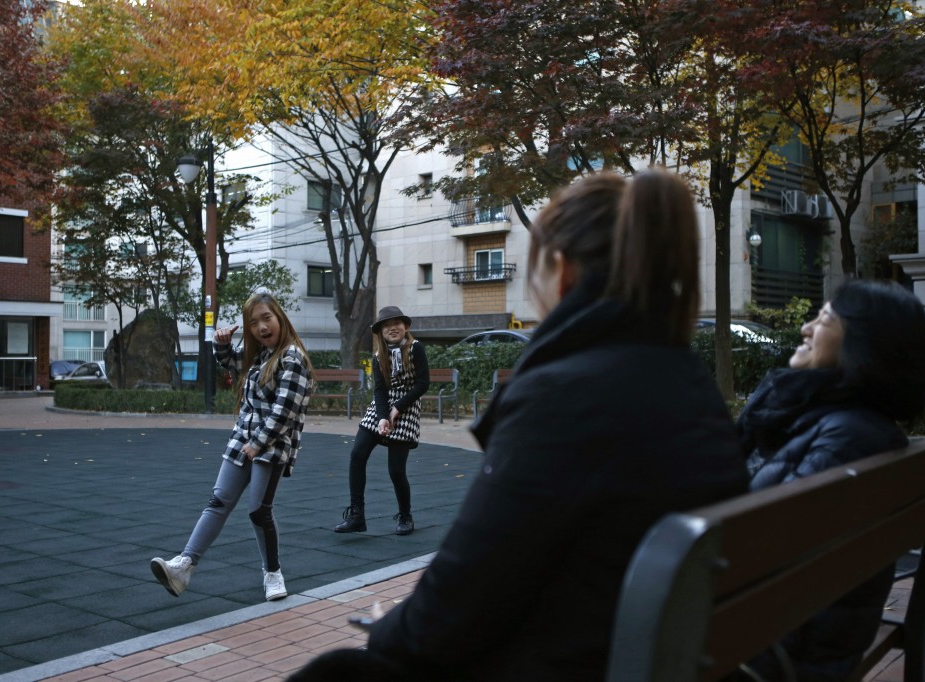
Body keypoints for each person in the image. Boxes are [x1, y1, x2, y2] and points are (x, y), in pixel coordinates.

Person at [291, 169, 748, 682]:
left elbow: (462, 596)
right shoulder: (687, 381)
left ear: (562, 270)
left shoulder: (568, 395)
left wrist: (388, 626)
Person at [736, 279, 925, 682]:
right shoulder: (847, 423)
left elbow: (752, 549)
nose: (806, 328)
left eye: (824, 318)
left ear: (862, 345)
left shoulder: (848, 438)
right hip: (799, 632)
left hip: (777, 649)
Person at [150, 291, 313, 602]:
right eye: (253, 323)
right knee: (219, 500)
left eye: (267, 318)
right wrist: (221, 342)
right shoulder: (260, 355)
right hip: (244, 440)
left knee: (258, 511)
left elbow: (285, 412)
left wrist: (257, 444)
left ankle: (273, 572)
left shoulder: (292, 358)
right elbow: (230, 362)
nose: (262, 327)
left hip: (271, 445)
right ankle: (184, 565)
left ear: (280, 318)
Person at [333, 306, 429, 536]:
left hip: (407, 407)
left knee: (396, 470)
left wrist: (398, 409)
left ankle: (405, 515)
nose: (392, 328)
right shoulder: (379, 356)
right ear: (381, 332)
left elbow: (422, 384)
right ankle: (357, 515)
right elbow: (379, 390)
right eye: (386, 325)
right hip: (382, 406)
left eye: (397, 323)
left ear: (405, 327)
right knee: (357, 455)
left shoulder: (416, 349)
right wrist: (383, 417)